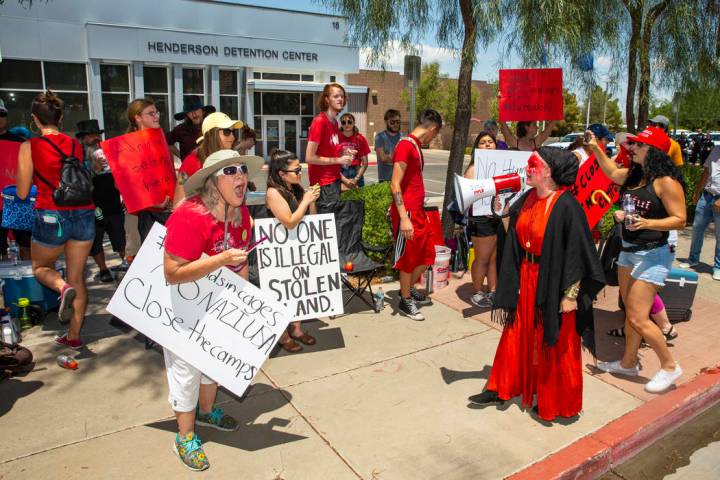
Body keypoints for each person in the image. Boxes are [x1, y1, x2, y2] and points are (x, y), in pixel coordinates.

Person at [468, 147, 605, 421]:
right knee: (516, 332)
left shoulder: (567, 206)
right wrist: (505, 214)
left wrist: (571, 294)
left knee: (555, 341)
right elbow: (517, 237)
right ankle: (502, 386)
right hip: (527, 277)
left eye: (534, 164)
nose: (527, 169)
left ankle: (555, 400)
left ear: (550, 173)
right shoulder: (528, 197)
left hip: (554, 281)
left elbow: (579, 254)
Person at [163, 149, 263, 471]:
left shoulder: (241, 214)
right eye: (231, 171)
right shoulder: (190, 215)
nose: (241, 177)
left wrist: (244, 305)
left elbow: (243, 261)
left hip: (219, 305)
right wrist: (218, 261)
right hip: (183, 304)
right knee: (187, 369)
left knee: (213, 363)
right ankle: (186, 435)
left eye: (242, 170)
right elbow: (172, 272)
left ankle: (207, 413)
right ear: (212, 182)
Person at [589, 126, 686, 393]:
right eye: (632, 144)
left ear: (653, 151)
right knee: (632, 315)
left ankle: (669, 366)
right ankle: (629, 362)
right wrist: (595, 147)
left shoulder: (665, 181)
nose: (631, 149)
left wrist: (647, 221)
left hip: (653, 253)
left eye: (638, 146)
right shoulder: (635, 176)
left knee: (637, 318)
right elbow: (610, 172)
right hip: (628, 251)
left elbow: (680, 219)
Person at [16, 91, 95, 349]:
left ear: (34, 119)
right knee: (77, 277)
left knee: (40, 268)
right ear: (60, 118)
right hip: (83, 212)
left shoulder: (30, 146)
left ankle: (61, 289)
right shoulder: (75, 144)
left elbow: (22, 192)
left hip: (51, 214)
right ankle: (73, 336)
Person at [390, 109, 443, 321]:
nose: (434, 138)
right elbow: (394, 184)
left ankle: (408, 288)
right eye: (436, 134)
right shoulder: (405, 146)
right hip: (408, 212)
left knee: (427, 254)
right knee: (409, 258)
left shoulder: (414, 146)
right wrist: (403, 217)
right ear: (432, 128)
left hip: (418, 211)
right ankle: (405, 300)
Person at [265, 150, 320, 352]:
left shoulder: (296, 188)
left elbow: (312, 219)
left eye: (300, 168)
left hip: (297, 248)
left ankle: (296, 328)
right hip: (280, 252)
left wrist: (311, 200)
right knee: (282, 294)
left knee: (298, 290)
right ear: (281, 173)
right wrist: (305, 201)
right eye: (296, 170)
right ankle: (282, 335)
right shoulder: (273, 193)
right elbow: (288, 222)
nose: (300, 172)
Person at [76, 119, 125, 283]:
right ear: (83, 138)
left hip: (113, 203)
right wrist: (92, 171)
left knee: (119, 236)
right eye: (91, 136)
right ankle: (103, 269)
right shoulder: (77, 157)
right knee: (96, 240)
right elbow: (77, 183)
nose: (96, 138)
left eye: (97, 135)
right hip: (91, 207)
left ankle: (126, 264)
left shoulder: (107, 151)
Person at [126, 99, 176, 242]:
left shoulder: (160, 140)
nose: (157, 116)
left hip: (170, 211)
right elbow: (124, 184)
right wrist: (151, 203)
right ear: (138, 117)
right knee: (155, 261)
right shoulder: (129, 146)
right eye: (151, 113)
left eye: (157, 112)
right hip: (149, 214)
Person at [463, 131, 500, 308]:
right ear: (477, 147)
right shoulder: (473, 169)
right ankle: (477, 292)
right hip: (480, 219)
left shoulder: (501, 166)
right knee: (482, 258)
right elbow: (470, 196)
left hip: (498, 218)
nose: (487, 144)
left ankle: (493, 291)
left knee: (493, 258)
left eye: (490, 142)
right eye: (483, 142)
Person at [306, 83, 354, 207]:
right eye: (336, 96)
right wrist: (339, 159)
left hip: (334, 182)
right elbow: (310, 157)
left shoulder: (335, 123)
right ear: (327, 99)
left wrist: (344, 153)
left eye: (342, 96)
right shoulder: (320, 121)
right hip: (323, 185)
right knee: (330, 224)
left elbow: (329, 154)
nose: (340, 99)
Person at [176, 112, 243, 201]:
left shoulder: (232, 159)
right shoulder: (192, 162)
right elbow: (177, 203)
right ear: (212, 134)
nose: (233, 137)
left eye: (234, 132)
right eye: (227, 132)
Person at [679, 144, 720, 280]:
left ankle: (718, 266)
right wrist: (697, 192)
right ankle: (693, 259)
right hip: (707, 195)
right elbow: (706, 172)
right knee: (697, 228)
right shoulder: (716, 149)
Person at [0, 98, 32, 260]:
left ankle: (30, 281)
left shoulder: (20, 143)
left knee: (25, 245)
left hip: (18, 200)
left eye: (2, 114)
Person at [167, 95, 216, 160]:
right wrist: (181, 157)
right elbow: (167, 143)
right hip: (189, 168)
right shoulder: (180, 129)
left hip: (210, 166)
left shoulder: (212, 126)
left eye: (196, 110)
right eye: (190, 112)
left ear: (203, 111)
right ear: (187, 114)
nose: (194, 114)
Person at [338, 113, 370, 189]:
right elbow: (333, 162)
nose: (346, 124)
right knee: (341, 199)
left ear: (354, 123)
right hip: (340, 173)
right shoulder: (336, 138)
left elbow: (365, 163)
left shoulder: (360, 139)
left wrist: (356, 179)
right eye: (343, 122)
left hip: (356, 173)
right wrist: (344, 180)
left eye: (349, 122)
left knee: (358, 200)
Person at [374, 109, 403, 182]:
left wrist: (390, 157)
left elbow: (408, 160)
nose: (395, 124)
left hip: (401, 179)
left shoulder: (404, 137)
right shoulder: (380, 137)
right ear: (386, 122)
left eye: (398, 122)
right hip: (385, 180)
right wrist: (400, 159)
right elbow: (383, 158)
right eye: (392, 122)